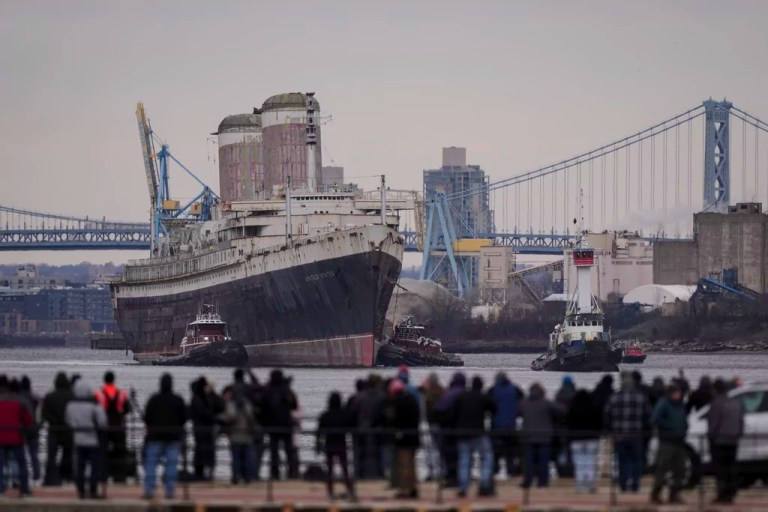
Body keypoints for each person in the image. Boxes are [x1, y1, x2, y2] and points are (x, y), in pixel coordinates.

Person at [604, 371, 652, 492]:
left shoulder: (614, 397)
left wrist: (610, 431)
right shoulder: (641, 398)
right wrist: (646, 432)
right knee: (636, 460)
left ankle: (623, 484)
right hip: (636, 435)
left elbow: (607, 416)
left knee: (622, 460)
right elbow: (648, 416)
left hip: (619, 435)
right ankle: (635, 484)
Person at [143, 373, 187, 500]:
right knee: (171, 465)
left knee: (151, 464)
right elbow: (183, 418)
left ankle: (149, 490)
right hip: (173, 437)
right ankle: (170, 491)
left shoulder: (153, 399)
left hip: (155, 437)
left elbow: (147, 418)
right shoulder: (178, 400)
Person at [453, 375, 496, 498]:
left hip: (463, 432)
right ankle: (484, 484)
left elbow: (454, 411)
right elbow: (494, 408)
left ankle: (463, 487)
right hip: (479, 432)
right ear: (481, 386)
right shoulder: (482, 397)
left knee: (464, 460)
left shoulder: (462, 397)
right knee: (487, 457)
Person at [65, 380, 107, 499]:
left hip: (78, 440)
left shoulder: (70, 406)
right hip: (93, 440)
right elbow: (103, 422)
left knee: (79, 467)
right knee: (95, 467)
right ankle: (93, 490)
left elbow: (68, 421)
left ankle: (81, 491)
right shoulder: (94, 406)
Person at [519, 382, 564, 489]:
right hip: (544, 437)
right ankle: (543, 482)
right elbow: (561, 410)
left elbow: (518, 412)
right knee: (544, 462)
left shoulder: (524, 403)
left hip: (529, 436)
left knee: (529, 461)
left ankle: (528, 480)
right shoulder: (546, 403)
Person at [708, 378, 745, 505]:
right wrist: (738, 435)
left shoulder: (717, 403)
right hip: (733, 440)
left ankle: (722, 494)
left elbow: (713, 424)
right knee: (731, 468)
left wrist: (711, 437)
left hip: (720, 441)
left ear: (716, 390)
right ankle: (731, 493)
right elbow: (741, 421)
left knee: (721, 470)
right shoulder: (736, 403)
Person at [650, 383, 688, 504]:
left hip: (679, 441)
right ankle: (655, 494)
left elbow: (683, 418)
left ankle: (674, 494)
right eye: (676, 392)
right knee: (663, 468)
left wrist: (684, 427)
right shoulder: (664, 404)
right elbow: (655, 419)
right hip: (667, 441)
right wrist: (668, 428)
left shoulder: (679, 405)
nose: (679, 395)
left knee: (680, 469)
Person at [94, 371, 132, 482]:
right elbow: (127, 409)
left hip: (104, 427)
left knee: (102, 453)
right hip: (118, 427)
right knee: (120, 453)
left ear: (104, 380)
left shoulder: (98, 394)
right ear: (114, 380)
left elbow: (94, 410)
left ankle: (102, 476)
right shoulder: (121, 394)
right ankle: (119, 477)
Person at [316, 391, 355, 500]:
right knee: (345, 469)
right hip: (341, 444)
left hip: (329, 444)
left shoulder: (325, 415)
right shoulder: (344, 414)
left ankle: (330, 491)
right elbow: (351, 428)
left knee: (329, 469)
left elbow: (319, 432)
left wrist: (318, 445)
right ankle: (350, 490)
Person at [261, 370, 298, 479]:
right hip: (286, 425)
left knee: (274, 452)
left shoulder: (268, 391)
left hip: (273, 426)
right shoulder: (287, 391)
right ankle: (291, 473)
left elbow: (262, 406)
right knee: (289, 451)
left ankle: (275, 473)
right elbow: (294, 405)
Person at [0, 375, 33, 497]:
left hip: (1, 437)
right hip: (16, 437)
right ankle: (24, 488)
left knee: (0, 464)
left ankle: (1, 489)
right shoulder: (21, 402)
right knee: (21, 463)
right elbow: (28, 421)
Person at [220, 384, 258, 484]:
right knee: (247, 458)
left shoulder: (231, 403)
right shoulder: (247, 403)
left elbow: (230, 416)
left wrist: (220, 417)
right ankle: (248, 477)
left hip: (235, 435)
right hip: (247, 435)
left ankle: (236, 476)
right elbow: (251, 416)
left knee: (236, 458)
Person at [41, 372, 74, 486]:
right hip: (68, 430)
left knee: (51, 456)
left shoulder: (49, 396)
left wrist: (53, 421)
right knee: (68, 455)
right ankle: (67, 477)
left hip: (54, 429)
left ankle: (50, 479)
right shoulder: (72, 396)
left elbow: (44, 414)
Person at [389, 378, 420, 499]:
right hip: (414, 436)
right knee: (412, 465)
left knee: (403, 465)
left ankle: (404, 490)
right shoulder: (413, 400)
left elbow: (396, 421)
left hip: (403, 438)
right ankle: (413, 488)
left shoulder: (399, 403)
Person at [434, 371, 466, 487]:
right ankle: (461, 478)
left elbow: (438, 409)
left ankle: (449, 477)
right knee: (461, 456)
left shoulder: (447, 393)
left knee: (448, 456)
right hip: (462, 430)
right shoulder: (464, 393)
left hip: (446, 430)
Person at [567, 389, 601, 493]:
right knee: (591, 463)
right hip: (591, 439)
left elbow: (568, 423)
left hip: (576, 440)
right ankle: (591, 484)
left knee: (579, 463)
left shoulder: (573, 409)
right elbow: (598, 424)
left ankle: (579, 486)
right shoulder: (594, 408)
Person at [189, 377, 224, 481]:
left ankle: (205, 474)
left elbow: (220, 406)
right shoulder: (199, 399)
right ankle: (201, 474)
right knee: (202, 453)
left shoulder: (203, 398)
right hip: (202, 431)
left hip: (204, 430)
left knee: (205, 453)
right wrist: (213, 417)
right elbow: (204, 413)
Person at [487, 372, 520, 477]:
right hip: (511, 426)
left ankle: (493, 474)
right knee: (510, 453)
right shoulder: (515, 389)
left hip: (496, 426)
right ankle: (512, 472)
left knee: (495, 453)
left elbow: (486, 405)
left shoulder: (492, 390)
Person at [420, 373, 444, 481]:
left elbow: (425, 409)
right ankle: (443, 472)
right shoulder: (443, 392)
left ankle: (431, 472)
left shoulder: (427, 394)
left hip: (431, 423)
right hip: (441, 424)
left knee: (430, 449)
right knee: (441, 448)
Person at [18, 376, 41, 483]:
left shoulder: (18, 398)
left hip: (19, 430)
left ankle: (20, 479)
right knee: (34, 456)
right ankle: (37, 478)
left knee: (19, 457)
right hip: (33, 429)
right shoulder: (35, 398)